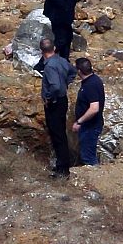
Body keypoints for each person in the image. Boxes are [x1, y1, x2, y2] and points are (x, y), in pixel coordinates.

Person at [39, 38, 77, 177]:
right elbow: (73, 72)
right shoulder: (61, 60)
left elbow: (54, 85)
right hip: (62, 100)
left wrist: (48, 97)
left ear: (41, 51)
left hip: (54, 103)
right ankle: (62, 165)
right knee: (60, 133)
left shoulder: (49, 66)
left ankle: (63, 169)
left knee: (58, 135)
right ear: (54, 48)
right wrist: (65, 83)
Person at [71, 57, 105, 165]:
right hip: (90, 126)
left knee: (88, 157)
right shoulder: (93, 80)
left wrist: (79, 121)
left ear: (79, 71)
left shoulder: (90, 85)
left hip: (90, 127)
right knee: (87, 154)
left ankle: (95, 179)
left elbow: (94, 108)